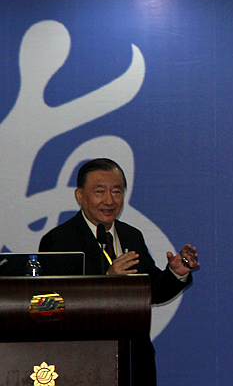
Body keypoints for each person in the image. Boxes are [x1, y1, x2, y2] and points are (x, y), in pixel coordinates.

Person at [38, 158, 199, 386]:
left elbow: (151, 291)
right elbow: (53, 305)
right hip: (83, 360)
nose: (109, 200)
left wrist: (175, 273)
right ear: (80, 196)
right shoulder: (58, 240)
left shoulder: (131, 235)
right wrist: (108, 282)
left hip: (134, 359)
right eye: (100, 192)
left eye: (117, 192)